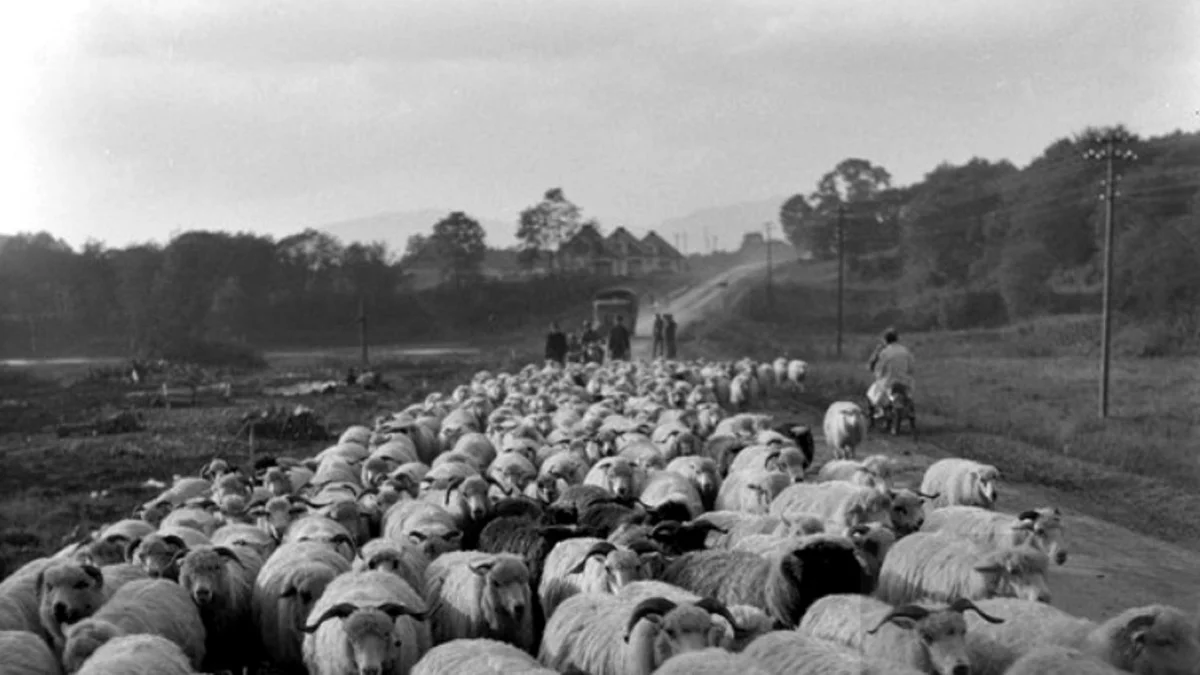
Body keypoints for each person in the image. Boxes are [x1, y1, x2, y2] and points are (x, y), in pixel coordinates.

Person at [867, 327, 915, 415]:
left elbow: (879, 370)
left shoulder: (885, 352)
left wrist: (878, 375)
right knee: (908, 398)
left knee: (871, 394)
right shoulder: (905, 351)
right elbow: (911, 368)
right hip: (904, 382)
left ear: (885, 340)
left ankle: (875, 415)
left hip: (888, 383)